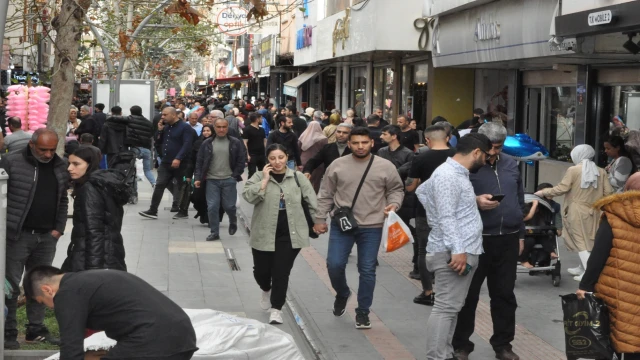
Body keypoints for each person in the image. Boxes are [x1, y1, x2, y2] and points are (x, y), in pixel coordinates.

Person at [313, 126, 404, 329]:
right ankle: (343, 292)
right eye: (355, 143)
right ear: (349, 144)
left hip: (373, 225)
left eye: (364, 142)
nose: (360, 146)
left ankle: (363, 311)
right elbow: (326, 192)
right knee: (334, 264)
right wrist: (320, 218)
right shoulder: (337, 165)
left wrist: (394, 204)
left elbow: (396, 189)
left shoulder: (385, 166)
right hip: (342, 224)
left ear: (372, 143)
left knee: (367, 269)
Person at [452, 123, 525, 360]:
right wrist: (475, 201)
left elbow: (519, 199)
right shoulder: (467, 166)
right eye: (490, 147)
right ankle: (461, 344)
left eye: (499, 147)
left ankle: (503, 344)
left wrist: (521, 233)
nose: (494, 152)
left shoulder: (511, 163)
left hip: (508, 239)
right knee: (468, 295)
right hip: (476, 240)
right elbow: (450, 199)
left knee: (504, 295)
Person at [416, 133, 491, 360]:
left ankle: (443, 353)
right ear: (477, 152)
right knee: (446, 308)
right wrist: (457, 250)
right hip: (454, 251)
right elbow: (447, 216)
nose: (488, 160)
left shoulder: (452, 173)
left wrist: (472, 202)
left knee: (450, 308)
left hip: (456, 248)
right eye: (486, 155)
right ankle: (437, 356)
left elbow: (423, 191)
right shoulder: (449, 175)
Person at [24, 266, 198, 359]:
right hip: (183, 335)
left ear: (47, 290)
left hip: (152, 340)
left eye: (45, 303)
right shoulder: (89, 279)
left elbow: (71, 348)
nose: (51, 308)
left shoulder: (66, 294)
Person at [1, 129, 69, 349]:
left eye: (52, 149)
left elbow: (63, 199)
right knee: (10, 286)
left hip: (46, 237)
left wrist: (58, 228)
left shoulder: (60, 165)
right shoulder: (11, 162)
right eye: (43, 150)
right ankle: (8, 332)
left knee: (40, 284)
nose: (48, 154)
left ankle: (35, 330)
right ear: (31, 145)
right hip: (17, 236)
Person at [242, 144, 318, 324]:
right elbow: (248, 197)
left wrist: (318, 222)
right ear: (267, 160)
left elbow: (311, 200)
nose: (277, 162)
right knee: (261, 272)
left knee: (281, 272)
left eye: (281, 157)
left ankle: (276, 308)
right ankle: (265, 288)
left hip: (290, 232)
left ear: (287, 157)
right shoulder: (259, 176)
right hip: (264, 231)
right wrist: (264, 181)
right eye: (272, 158)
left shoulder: (298, 178)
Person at [575, 173, 640, 359]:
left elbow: (598, 255)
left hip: (617, 291)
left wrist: (585, 286)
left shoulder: (614, 214)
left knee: (611, 338)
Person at [535, 144, 613, 281]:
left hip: (577, 210)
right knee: (589, 240)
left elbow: (561, 188)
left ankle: (589, 273)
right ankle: (582, 267)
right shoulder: (601, 171)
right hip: (594, 210)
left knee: (580, 241)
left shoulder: (574, 170)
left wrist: (543, 192)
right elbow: (608, 193)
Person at [406, 125, 455, 306]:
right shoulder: (457, 156)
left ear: (427, 140)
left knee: (424, 250)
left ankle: (428, 291)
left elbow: (411, 186)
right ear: (448, 138)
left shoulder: (421, 157)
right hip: (452, 210)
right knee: (452, 248)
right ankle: (449, 290)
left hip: (425, 210)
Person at [64, 146, 128, 272]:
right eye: (69, 163)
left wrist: (94, 269)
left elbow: (94, 232)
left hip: (93, 258)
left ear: (90, 164)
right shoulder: (103, 184)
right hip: (108, 254)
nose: (69, 168)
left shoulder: (90, 189)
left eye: (76, 164)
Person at [194, 118, 246, 241]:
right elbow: (200, 161)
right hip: (212, 180)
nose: (221, 129)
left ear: (227, 128)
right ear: (214, 128)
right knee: (212, 206)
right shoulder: (207, 143)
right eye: (219, 127)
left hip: (229, 179)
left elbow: (241, 160)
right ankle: (214, 232)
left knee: (229, 206)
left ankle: (232, 219)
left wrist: (235, 175)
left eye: (224, 127)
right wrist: (198, 178)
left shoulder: (235, 142)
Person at [139, 107, 194, 220]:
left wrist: (178, 158)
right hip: (166, 162)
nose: (162, 117)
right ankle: (153, 210)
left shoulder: (185, 127)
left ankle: (183, 211)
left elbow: (187, 144)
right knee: (159, 185)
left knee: (182, 186)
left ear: (174, 115)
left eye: (165, 115)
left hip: (181, 163)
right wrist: (159, 130)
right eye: (162, 115)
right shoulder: (166, 127)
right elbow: (158, 141)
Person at [298, 121, 328, 193]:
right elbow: (325, 150)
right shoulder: (323, 138)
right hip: (318, 163)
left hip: (304, 160)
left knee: (304, 180)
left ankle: (304, 195)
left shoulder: (303, 136)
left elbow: (298, 149)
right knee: (316, 181)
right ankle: (314, 195)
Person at [243, 112, 267, 178]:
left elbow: (264, 141)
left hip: (262, 154)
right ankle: (250, 187)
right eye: (261, 118)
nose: (262, 120)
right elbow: (245, 142)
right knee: (252, 173)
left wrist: (266, 152)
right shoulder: (247, 129)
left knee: (263, 172)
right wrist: (247, 155)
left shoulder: (262, 130)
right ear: (257, 119)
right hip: (252, 155)